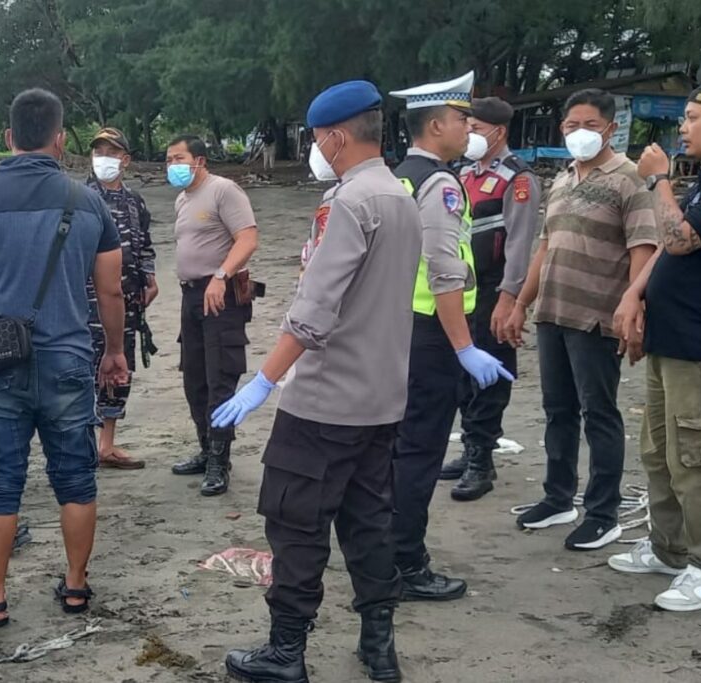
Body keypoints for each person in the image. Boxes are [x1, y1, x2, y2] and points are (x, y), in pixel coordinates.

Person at [217, 79, 422, 683]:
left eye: (316, 139)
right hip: (381, 396)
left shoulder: (350, 203)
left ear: (334, 137)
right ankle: (379, 646)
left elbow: (314, 310)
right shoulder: (401, 196)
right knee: (369, 521)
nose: (315, 149)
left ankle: (286, 651)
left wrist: (262, 380)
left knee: (296, 522)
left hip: (325, 400)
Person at [0, 88, 128, 623]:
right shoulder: (89, 202)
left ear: (9, 137)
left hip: (1, 363)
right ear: (59, 140)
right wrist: (114, 350)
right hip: (69, 359)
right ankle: (76, 586)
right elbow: (110, 290)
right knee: (76, 477)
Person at [502, 88, 657, 551]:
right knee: (558, 411)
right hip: (554, 310)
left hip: (597, 316)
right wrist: (521, 303)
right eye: (572, 126)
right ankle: (558, 497)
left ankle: (603, 514)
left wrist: (634, 306)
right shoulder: (563, 178)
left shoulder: (630, 179)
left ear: (611, 128)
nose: (580, 133)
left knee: (600, 413)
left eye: (590, 125)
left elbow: (643, 251)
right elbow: (546, 246)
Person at [388, 72, 513, 602]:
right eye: (463, 118)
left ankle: (382, 550)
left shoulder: (400, 177)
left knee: (393, 449)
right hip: (432, 335)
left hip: (397, 331)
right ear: (436, 125)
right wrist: (464, 346)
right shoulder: (440, 184)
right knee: (419, 453)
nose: (469, 128)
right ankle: (405, 563)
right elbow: (444, 272)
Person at [607, 80, 701, 611]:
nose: (683, 126)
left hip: (700, 347)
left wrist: (658, 180)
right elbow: (668, 254)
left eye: (693, 117)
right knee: (658, 453)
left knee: (696, 461)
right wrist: (635, 293)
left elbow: (678, 239)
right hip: (667, 342)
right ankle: (669, 548)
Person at [440, 97, 542, 501]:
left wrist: (509, 297)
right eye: (467, 127)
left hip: (494, 288)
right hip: (463, 288)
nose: (469, 135)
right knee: (461, 373)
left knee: (489, 373)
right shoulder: (463, 173)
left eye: (476, 129)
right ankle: (470, 449)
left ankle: (482, 460)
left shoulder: (518, 178)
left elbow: (519, 243)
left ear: (498, 132)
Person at [167, 134, 258, 496]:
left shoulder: (223, 190)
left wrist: (221, 276)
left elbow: (247, 238)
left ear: (199, 161)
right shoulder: (182, 199)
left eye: (178, 158)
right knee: (195, 378)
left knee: (220, 378)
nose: (172, 165)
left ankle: (220, 461)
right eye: (168, 160)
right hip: (191, 295)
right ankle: (206, 449)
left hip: (220, 295)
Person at [86, 127, 158, 470]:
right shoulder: (80, 198)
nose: (104, 159)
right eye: (98, 152)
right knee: (85, 368)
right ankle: (83, 444)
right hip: (85, 302)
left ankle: (107, 444)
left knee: (119, 367)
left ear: (125, 160)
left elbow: (145, 245)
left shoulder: (134, 201)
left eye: (111, 153)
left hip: (128, 300)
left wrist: (150, 278)